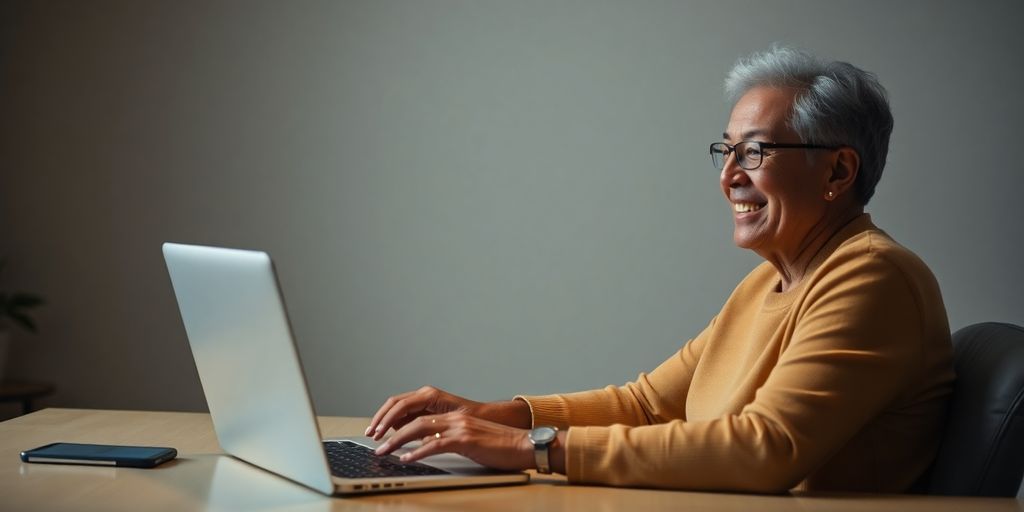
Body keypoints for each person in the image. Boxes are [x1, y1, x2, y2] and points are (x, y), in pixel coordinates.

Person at [366, 46, 955, 493]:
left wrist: (530, 447)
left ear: (837, 173)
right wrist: (490, 416)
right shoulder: (770, 281)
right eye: (726, 151)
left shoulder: (873, 278)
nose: (728, 176)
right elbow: (646, 405)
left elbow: (766, 448)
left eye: (754, 151)